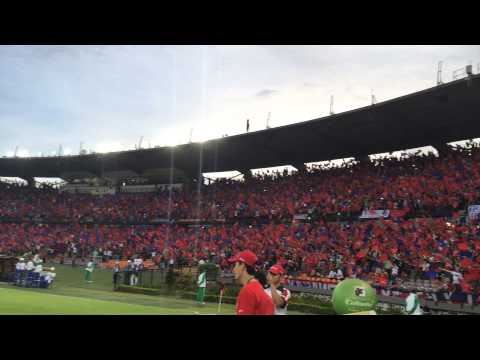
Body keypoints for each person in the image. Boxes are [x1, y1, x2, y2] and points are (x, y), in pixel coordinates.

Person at [229, 250, 274, 315]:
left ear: (242, 265)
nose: (233, 269)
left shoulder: (248, 290)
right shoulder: (257, 287)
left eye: (235, 265)